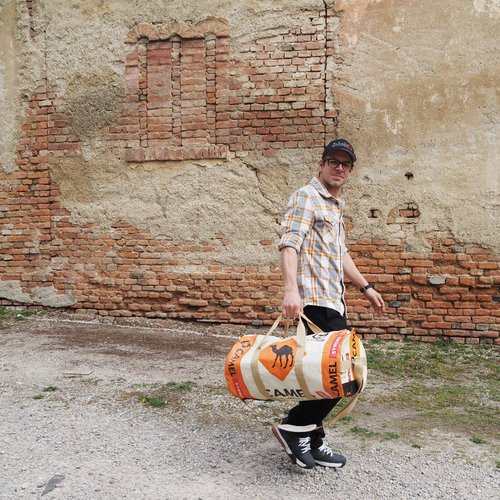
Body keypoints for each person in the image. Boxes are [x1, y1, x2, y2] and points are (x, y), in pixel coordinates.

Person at [272, 138, 385, 469]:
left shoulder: (335, 206)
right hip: (313, 302)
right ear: (321, 165)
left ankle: (313, 438)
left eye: (345, 164)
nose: (339, 168)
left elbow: (340, 253)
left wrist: (366, 286)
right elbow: (289, 243)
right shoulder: (306, 197)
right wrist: (291, 291)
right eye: (333, 162)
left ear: (350, 171)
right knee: (341, 374)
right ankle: (293, 427)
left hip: (333, 301)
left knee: (326, 376)